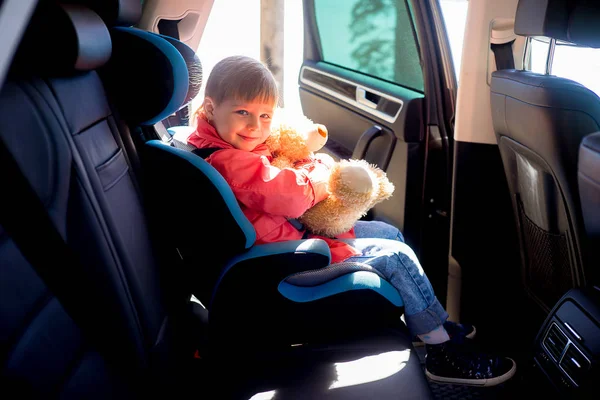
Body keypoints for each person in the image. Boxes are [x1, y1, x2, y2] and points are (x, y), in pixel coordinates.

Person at [187, 55, 516, 386]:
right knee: (395, 257)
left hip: (289, 240)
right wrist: (322, 171)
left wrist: (304, 167)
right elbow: (291, 195)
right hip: (288, 259)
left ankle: (430, 320)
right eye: (242, 112)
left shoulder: (216, 145)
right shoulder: (229, 160)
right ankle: (441, 352)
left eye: (265, 116)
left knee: (388, 233)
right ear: (212, 109)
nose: (255, 126)